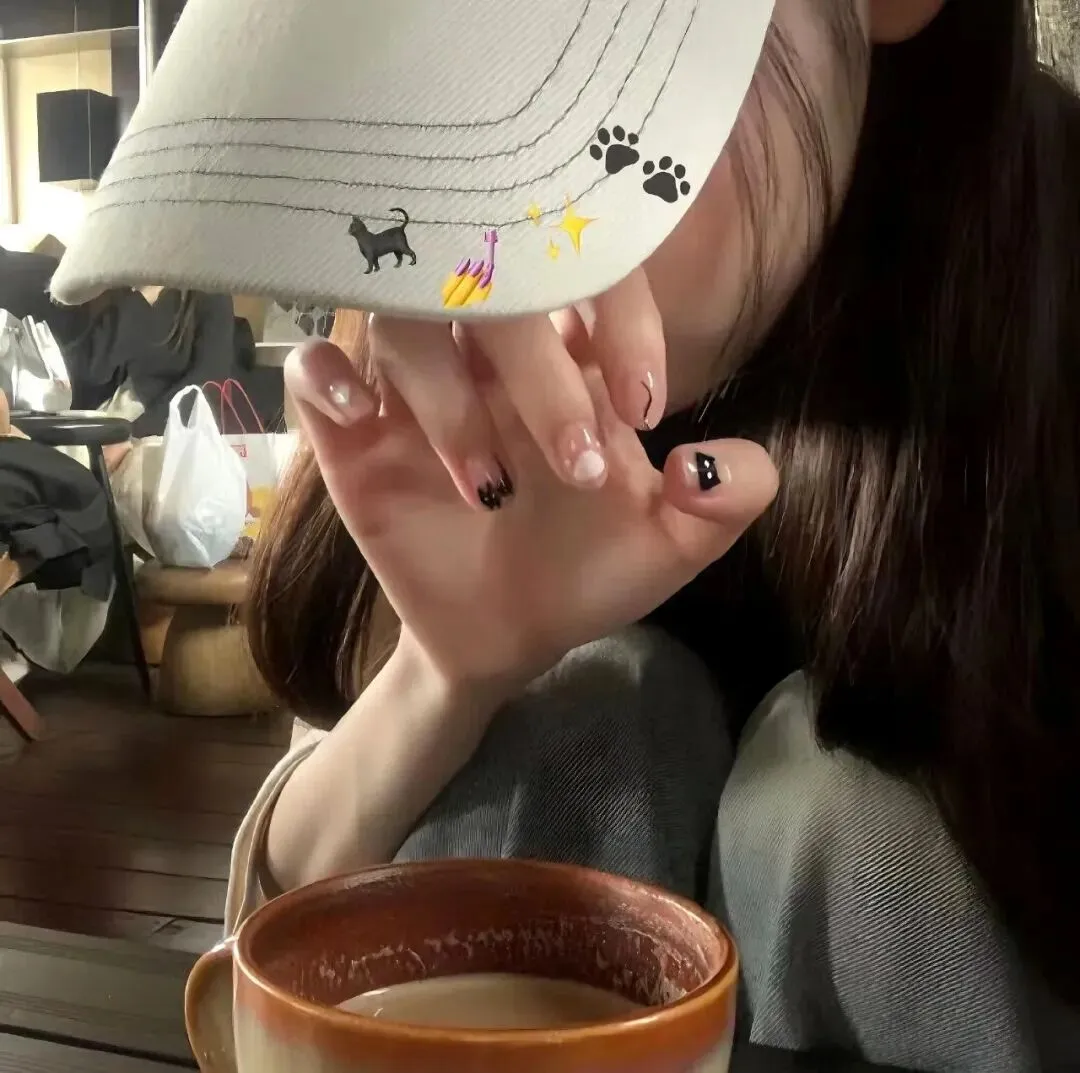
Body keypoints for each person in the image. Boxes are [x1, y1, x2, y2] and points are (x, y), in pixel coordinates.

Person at [42, 0, 1080, 1069]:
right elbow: (271, 934)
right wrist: (444, 678)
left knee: (868, 825)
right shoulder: (435, 303)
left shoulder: (1042, 287)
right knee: (577, 717)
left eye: (599, 94)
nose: (506, 214)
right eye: (444, 97)